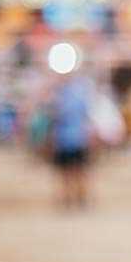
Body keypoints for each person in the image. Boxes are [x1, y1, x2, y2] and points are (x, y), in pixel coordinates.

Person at [49, 74, 93, 210]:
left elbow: (58, 115)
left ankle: (77, 198)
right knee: (70, 171)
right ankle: (74, 198)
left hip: (73, 138)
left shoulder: (66, 94)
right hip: (70, 138)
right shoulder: (70, 93)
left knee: (74, 171)